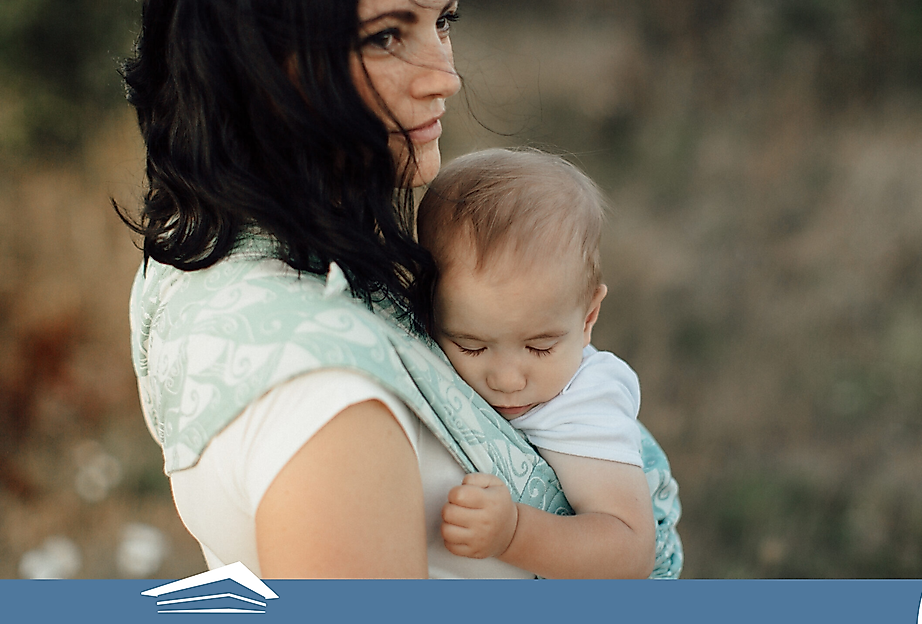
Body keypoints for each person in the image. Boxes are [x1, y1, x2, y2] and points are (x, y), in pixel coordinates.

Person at [121, 0, 681, 579]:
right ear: (254, 54)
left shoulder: (190, 251)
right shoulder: (329, 405)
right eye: (387, 34)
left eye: (443, 21)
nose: (446, 76)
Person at [417, 148, 664, 578]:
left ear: (588, 318)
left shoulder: (587, 403)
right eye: (471, 346)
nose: (508, 380)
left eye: (539, 347)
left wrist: (513, 534)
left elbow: (631, 552)